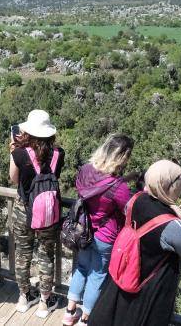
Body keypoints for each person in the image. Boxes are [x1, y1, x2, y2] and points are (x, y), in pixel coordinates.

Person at [88, 159, 181, 326]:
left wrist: (180, 210)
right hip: (150, 292)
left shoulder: (136, 199)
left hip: (124, 279)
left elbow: (155, 217)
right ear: (171, 187)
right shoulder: (171, 226)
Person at [62, 134, 135, 326]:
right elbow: (129, 209)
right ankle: (85, 319)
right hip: (106, 236)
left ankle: (69, 312)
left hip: (83, 229)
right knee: (97, 275)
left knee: (81, 268)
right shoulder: (119, 187)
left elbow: (92, 187)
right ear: (122, 157)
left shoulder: (85, 170)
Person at [9, 109, 65, 318]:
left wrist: (14, 150)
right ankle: (45, 301)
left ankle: (24, 297)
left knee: (23, 254)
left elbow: (14, 179)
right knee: (46, 255)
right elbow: (53, 175)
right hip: (49, 212)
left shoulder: (19, 154)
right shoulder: (59, 154)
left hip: (24, 210)